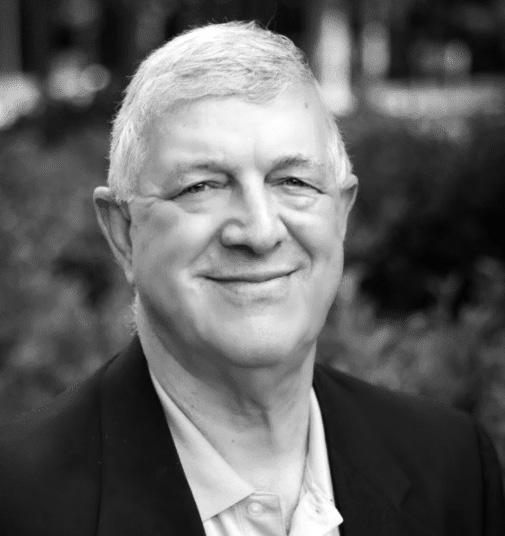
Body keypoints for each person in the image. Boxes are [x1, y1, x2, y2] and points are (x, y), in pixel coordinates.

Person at [0, 21, 504, 536]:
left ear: (341, 214)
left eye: (293, 181)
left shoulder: (453, 469)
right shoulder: (16, 504)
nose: (260, 232)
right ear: (123, 232)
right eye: (202, 186)